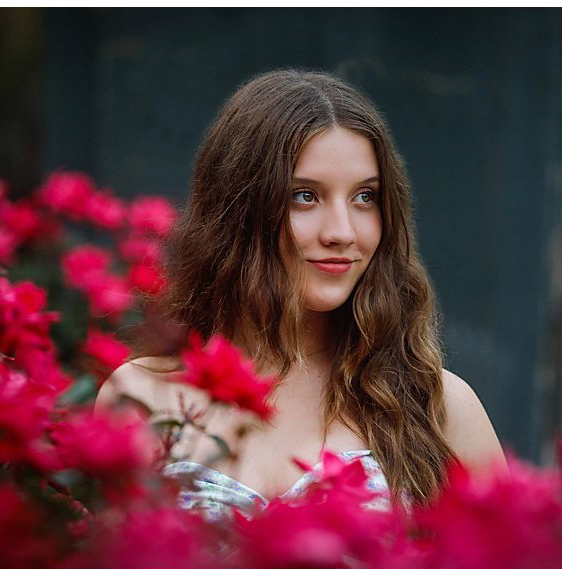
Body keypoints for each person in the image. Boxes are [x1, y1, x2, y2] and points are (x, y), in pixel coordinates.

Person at [97, 70, 506, 520]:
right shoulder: (139, 396)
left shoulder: (438, 406)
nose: (342, 232)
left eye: (365, 197)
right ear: (238, 210)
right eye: (305, 196)